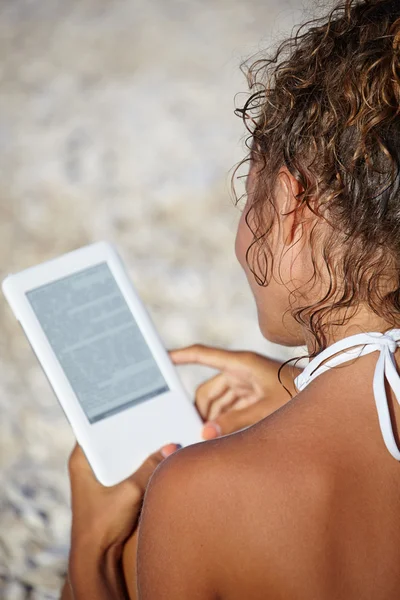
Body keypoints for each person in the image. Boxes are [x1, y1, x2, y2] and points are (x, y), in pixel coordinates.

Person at [60, 0, 400, 597]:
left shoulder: (201, 493)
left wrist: (92, 549)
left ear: (293, 206)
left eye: (251, 195)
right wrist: (293, 384)